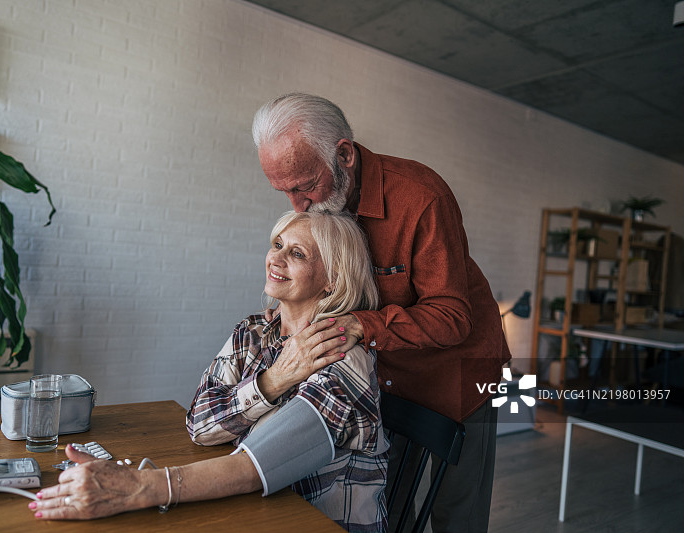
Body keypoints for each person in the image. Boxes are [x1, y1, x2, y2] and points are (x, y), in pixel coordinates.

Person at [31, 211, 389, 532]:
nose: (275, 259)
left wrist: (138, 486)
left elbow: (258, 466)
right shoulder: (252, 332)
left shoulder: (342, 356)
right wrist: (275, 379)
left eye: (297, 254)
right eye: (277, 244)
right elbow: (200, 425)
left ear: (332, 279)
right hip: (255, 511)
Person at [252, 93, 511, 533]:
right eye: (285, 191)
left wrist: (359, 323)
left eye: (305, 186)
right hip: (388, 376)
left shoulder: (422, 197)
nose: (298, 205)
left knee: (457, 514)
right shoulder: (322, 205)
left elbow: (452, 316)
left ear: (344, 155)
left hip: (460, 373)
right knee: (387, 506)